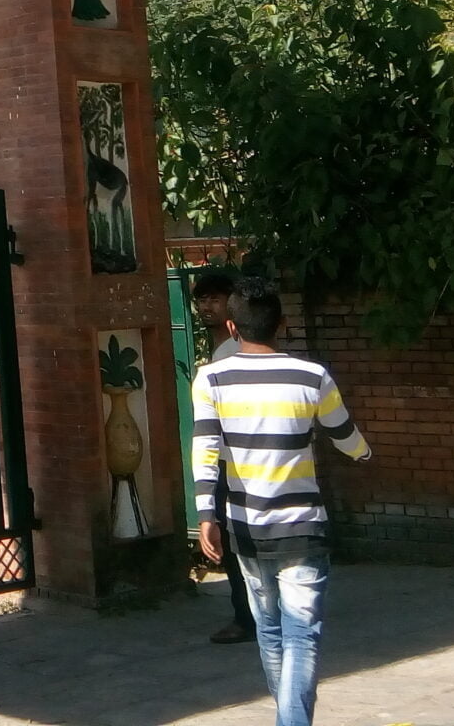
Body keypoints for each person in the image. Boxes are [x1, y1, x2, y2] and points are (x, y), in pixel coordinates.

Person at [192, 276, 372, 726]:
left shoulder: (211, 378)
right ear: (283, 324)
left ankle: (289, 718)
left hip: (245, 526)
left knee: (270, 631)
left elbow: (205, 450)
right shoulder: (312, 376)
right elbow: (347, 438)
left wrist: (205, 515)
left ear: (232, 328)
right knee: (302, 635)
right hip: (303, 527)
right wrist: (364, 453)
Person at [190, 266, 254, 644]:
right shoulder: (219, 349)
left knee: (233, 546)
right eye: (201, 299)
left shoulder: (233, 353)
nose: (206, 307)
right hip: (231, 462)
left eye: (215, 298)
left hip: (233, 465)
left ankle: (246, 619)